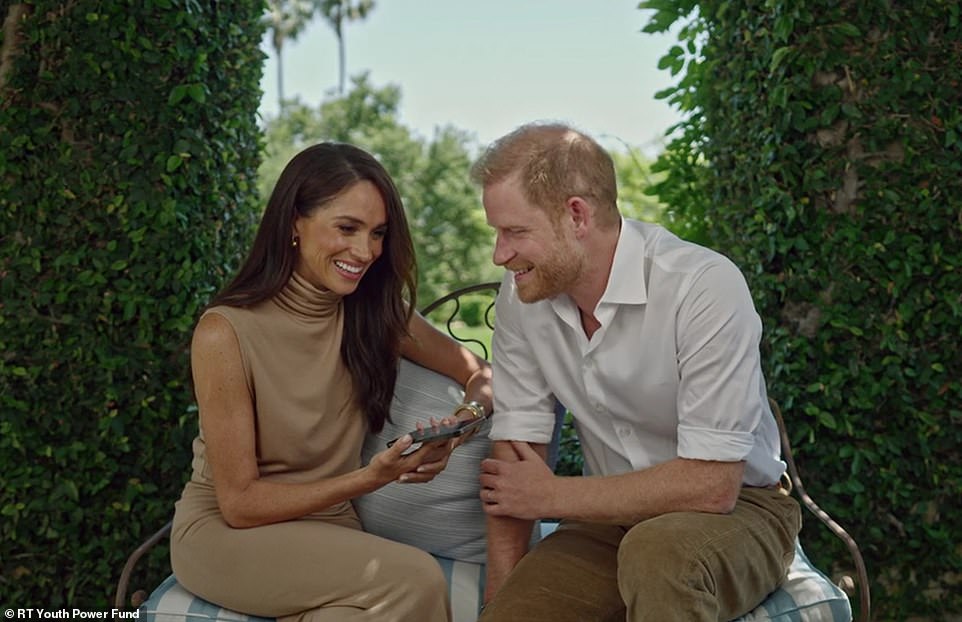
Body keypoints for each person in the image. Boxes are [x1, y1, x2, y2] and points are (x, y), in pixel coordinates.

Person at [471, 122, 802, 622]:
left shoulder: (702, 286)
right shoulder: (523, 296)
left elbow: (712, 485)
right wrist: (499, 600)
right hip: (604, 522)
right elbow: (517, 461)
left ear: (576, 215)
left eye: (515, 232)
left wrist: (555, 495)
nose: (500, 254)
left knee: (659, 555)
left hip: (742, 511)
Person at [170, 142, 493, 622]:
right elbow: (239, 503)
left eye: (378, 233)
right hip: (229, 533)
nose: (365, 251)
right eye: (347, 228)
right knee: (415, 578)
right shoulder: (225, 332)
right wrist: (370, 478)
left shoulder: (376, 313)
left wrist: (462, 424)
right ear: (294, 224)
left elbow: (480, 373)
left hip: (327, 527)